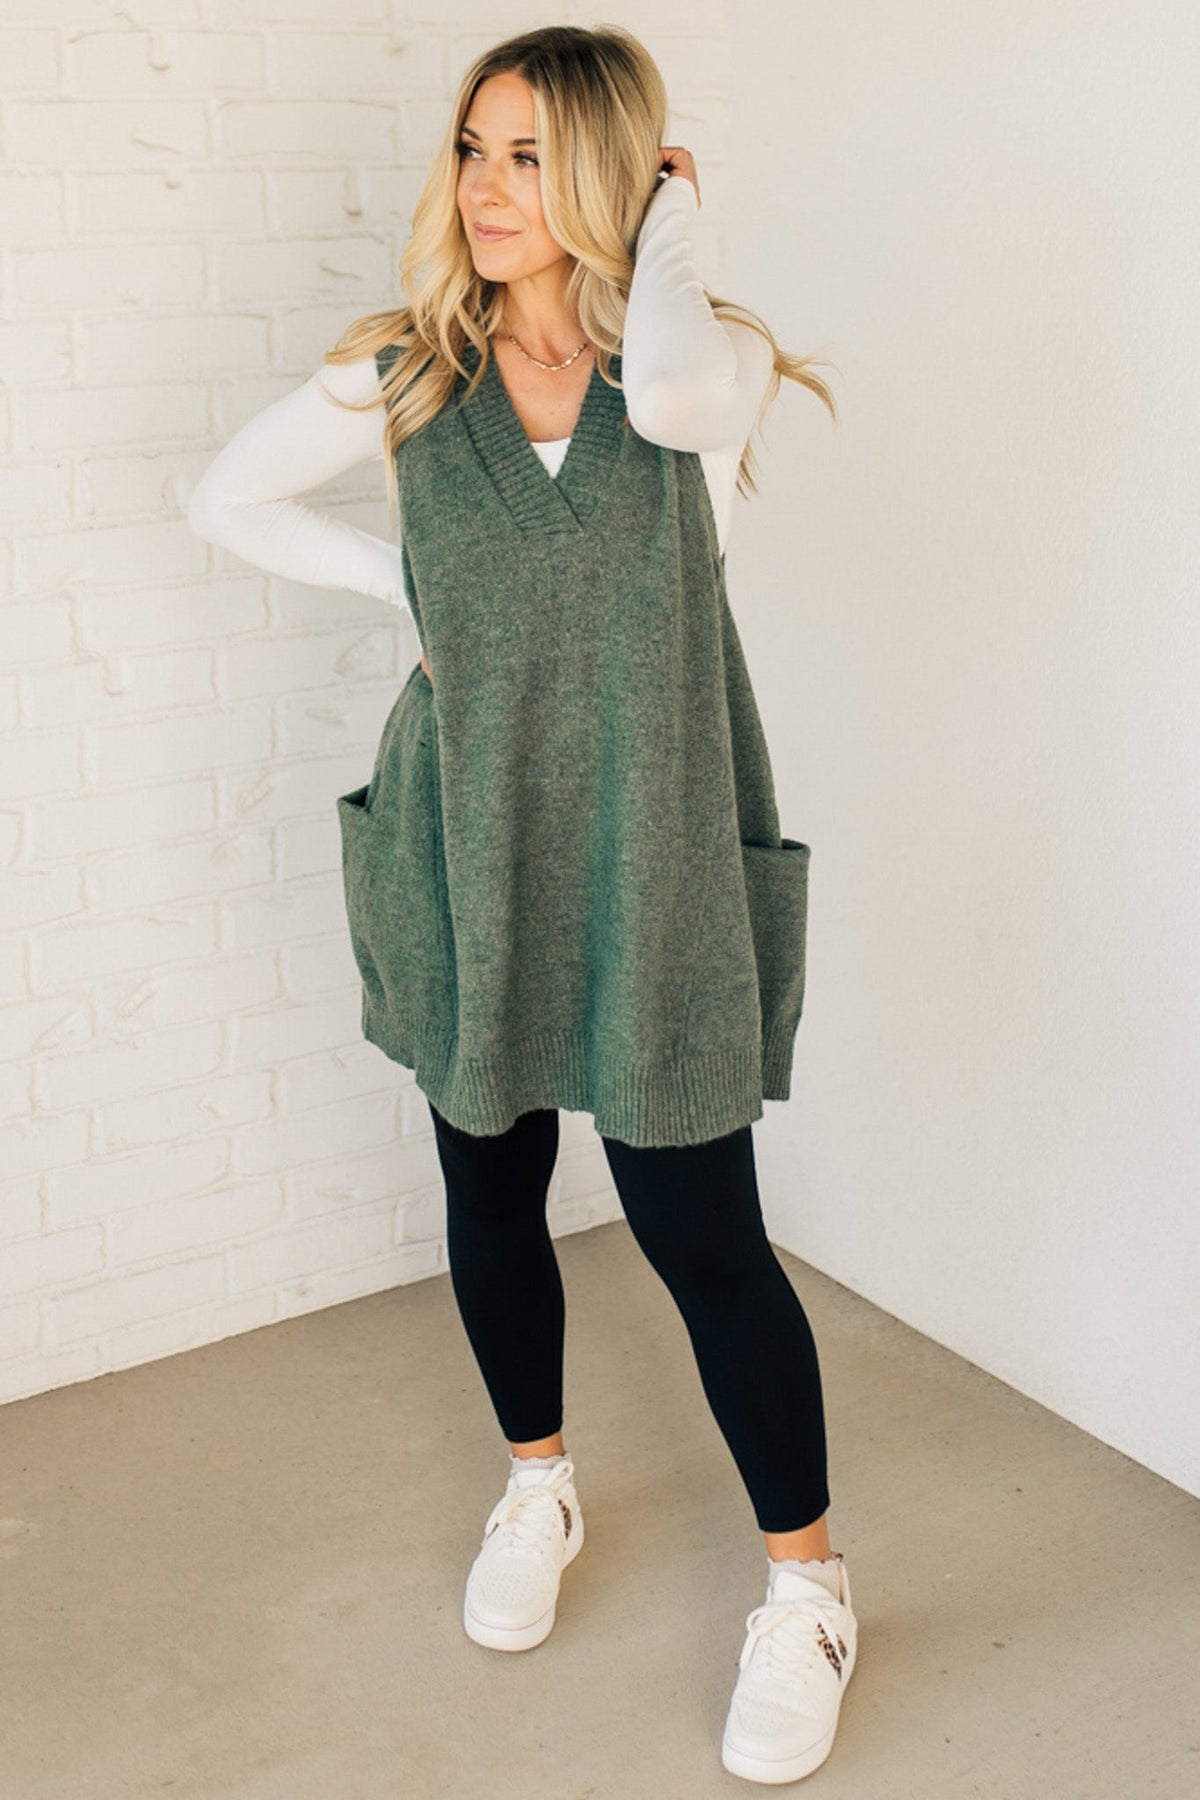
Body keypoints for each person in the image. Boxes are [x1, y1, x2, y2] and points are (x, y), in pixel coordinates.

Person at [187, 23, 854, 1786]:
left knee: (703, 1233)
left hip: (658, 849)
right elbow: (223, 498)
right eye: (474, 149)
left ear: (620, 177)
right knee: (488, 1180)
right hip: (468, 835)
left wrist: (675, 231)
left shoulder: (699, 369)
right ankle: (537, 1484)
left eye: (535, 157)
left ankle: (808, 1588)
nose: (487, 189)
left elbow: (676, 397)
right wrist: (400, 586)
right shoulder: (405, 374)